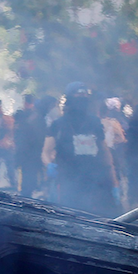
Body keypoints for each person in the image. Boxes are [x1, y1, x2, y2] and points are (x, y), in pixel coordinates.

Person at [43, 82, 119, 217]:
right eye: (78, 95)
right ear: (70, 98)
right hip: (68, 180)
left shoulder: (95, 122)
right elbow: (46, 152)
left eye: (84, 95)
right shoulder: (58, 124)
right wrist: (50, 165)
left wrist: (114, 182)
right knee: (71, 216)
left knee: (102, 217)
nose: (82, 98)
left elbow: (104, 151)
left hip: (96, 180)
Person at [13, 95, 48, 197]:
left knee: (29, 179)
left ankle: (27, 195)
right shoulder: (27, 116)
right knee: (28, 180)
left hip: (31, 154)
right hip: (29, 154)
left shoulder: (37, 117)